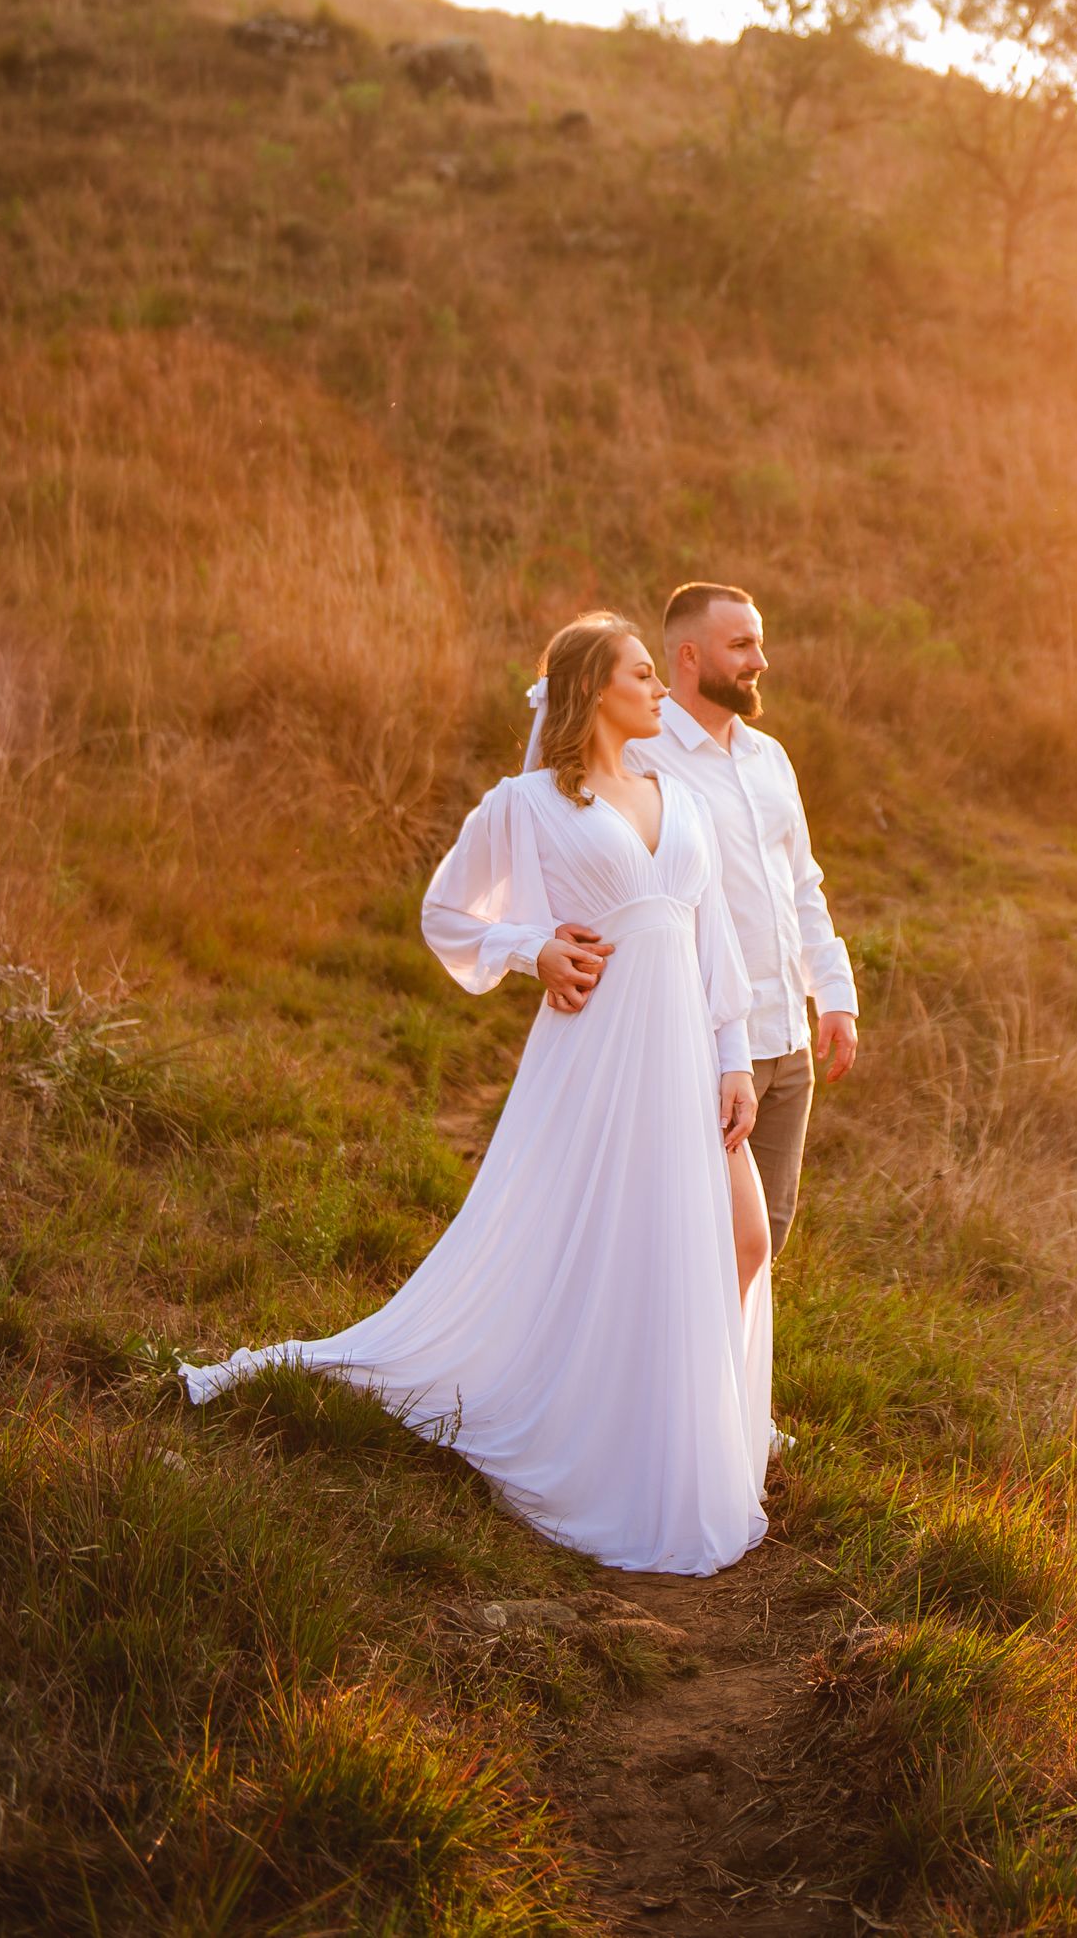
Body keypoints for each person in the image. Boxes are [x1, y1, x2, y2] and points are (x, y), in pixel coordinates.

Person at [180, 614, 771, 1578]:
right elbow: (446, 912)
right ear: (592, 690)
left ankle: (672, 1430)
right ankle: (595, 1431)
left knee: (741, 1240)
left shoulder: (683, 799)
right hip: (599, 1058)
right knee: (606, 1245)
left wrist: (736, 1057)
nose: (663, 690)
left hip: (688, 1054)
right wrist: (528, 950)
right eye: (642, 674)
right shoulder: (527, 804)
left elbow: (716, 942)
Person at [531, 582, 858, 1266]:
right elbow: (552, 832)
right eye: (741, 645)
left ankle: (731, 1377)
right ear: (688, 656)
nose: (759, 661)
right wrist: (543, 934)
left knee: (763, 1242)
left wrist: (832, 993)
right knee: (683, 1243)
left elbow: (801, 883)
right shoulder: (641, 755)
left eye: (759, 643)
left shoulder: (770, 758)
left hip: (785, 1037)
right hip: (694, 1038)